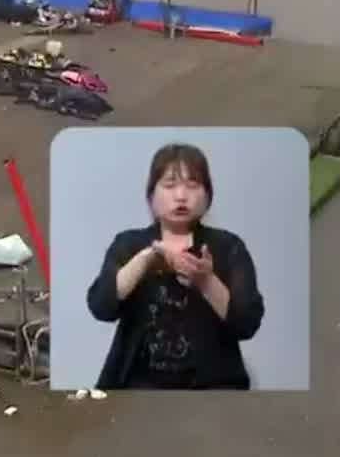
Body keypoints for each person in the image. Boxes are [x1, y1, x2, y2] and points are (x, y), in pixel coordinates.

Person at [86, 142, 265, 389]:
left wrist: (206, 281)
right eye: (169, 185)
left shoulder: (228, 246)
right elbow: (101, 306)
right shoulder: (128, 243)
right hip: (138, 388)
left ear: (208, 195)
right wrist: (145, 260)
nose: (181, 196)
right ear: (151, 195)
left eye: (193, 185)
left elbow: (247, 323)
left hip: (213, 388)